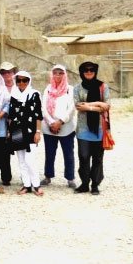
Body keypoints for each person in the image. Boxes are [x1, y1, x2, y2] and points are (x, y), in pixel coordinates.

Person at [74, 61, 110, 195]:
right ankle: (84, 183)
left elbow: (107, 106)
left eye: (91, 70)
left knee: (97, 158)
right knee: (83, 157)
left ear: (95, 71)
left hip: (99, 129)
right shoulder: (77, 88)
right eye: (86, 70)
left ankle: (95, 184)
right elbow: (78, 106)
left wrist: (89, 106)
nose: (89, 72)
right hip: (83, 129)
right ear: (81, 72)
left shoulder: (103, 87)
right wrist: (99, 104)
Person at [8, 71, 44, 196]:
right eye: (19, 80)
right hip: (17, 130)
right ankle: (26, 185)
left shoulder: (34, 94)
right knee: (21, 160)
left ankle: (36, 185)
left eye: (24, 80)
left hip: (30, 131)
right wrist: (9, 131)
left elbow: (38, 114)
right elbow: (11, 115)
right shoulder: (14, 95)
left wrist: (38, 132)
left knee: (30, 159)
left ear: (29, 81)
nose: (21, 83)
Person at [41, 65, 77, 189]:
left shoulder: (70, 89)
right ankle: (48, 176)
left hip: (66, 127)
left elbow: (71, 108)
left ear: (65, 74)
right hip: (49, 126)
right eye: (55, 73)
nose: (57, 75)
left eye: (60, 73)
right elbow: (43, 108)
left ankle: (70, 178)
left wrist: (60, 122)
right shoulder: (48, 89)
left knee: (68, 154)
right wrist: (52, 122)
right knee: (49, 154)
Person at [0, 61, 17, 186]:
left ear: (14, 72)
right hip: (2, 121)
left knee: (22, 150)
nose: (7, 75)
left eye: (9, 72)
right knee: (3, 150)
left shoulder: (20, 85)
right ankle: (6, 176)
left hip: (17, 122)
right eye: (4, 72)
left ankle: (27, 178)